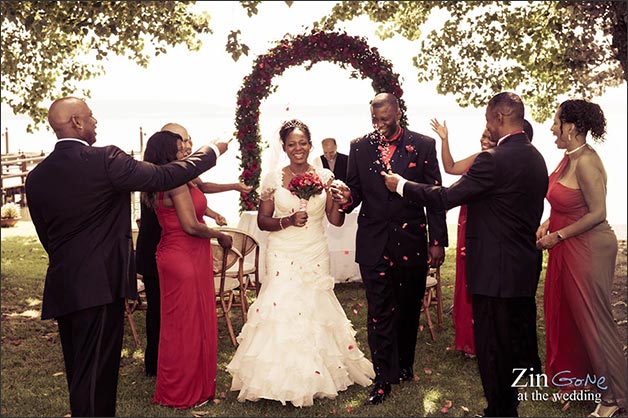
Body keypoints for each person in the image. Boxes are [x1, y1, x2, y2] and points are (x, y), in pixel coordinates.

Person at [24, 97, 228, 417]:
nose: (96, 122)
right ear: (76, 122)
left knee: (80, 371)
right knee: (98, 376)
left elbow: (46, 236)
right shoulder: (106, 159)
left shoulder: (36, 177)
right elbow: (165, 176)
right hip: (101, 284)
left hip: (65, 284)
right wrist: (212, 150)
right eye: (90, 117)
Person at [381, 92, 548, 417]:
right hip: (524, 266)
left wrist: (402, 185)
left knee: (493, 348)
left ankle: (500, 411)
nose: (488, 127)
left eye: (488, 120)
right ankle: (508, 405)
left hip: (494, 271)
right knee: (511, 342)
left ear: (499, 117)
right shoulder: (536, 157)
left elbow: (446, 198)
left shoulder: (492, 160)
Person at [226, 119, 375, 407]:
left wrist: (341, 201)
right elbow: (263, 221)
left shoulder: (326, 177)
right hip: (283, 251)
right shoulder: (272, 179)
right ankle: (277, 378)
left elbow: (335, 220)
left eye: (303, 143)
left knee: (314, 306)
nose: (298, 149)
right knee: (281, 306)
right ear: (284, 146)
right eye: (292, 144)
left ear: (310, 144)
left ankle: (319, 373)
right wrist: (288, 220)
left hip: (315, 249)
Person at [330, 92, 448, 405]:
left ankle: (404, 365)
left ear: (397, 112)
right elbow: (354, 190)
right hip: (372, 241)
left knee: (408, 308)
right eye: (375, 119)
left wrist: (437, 240)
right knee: (379, 311)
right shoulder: (359, 146)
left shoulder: (423, 145)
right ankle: (382, 379)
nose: (379, 124)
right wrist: (345, 196)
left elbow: (434, 195)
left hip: (411, 240)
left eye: (385, 118)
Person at [135, 122, 251, 377]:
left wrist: (228, 192)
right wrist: (217, 234)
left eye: (187, 142)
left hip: (179, 250)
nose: (186, 148)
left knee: (177, 313)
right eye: (180, 144)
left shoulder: (173, 174)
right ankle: (157, 366)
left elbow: (197, 190)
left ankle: (178, 365)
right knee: (161, 312)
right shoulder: (163, 177)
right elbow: (187, 220)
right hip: (163, 249)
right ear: (167, 150)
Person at [536, 99, 626, 417]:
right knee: (574, 320)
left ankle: (613, 399)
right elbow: (568, 201)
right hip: (571, 245)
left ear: (571, 128)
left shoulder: (586, 161)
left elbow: (599, 213)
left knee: (594, 322)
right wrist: (549, 222)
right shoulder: (569, 158)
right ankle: (586, 382)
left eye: (556, 121)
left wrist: (558, 235)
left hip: (587, 248)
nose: (551, 127)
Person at [430, 120, 498, 359]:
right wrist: (445, 139)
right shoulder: (479, 158)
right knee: (465, 276)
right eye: (483, 136)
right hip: (466, 218)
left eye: (490, 138)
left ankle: (481, 338)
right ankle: (468, 339)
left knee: (480, 278)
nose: (485, 141)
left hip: (485, 222)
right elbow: (449, 167)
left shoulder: (497, 162)